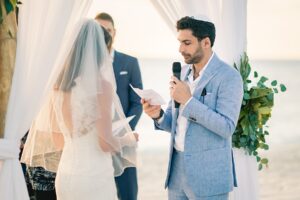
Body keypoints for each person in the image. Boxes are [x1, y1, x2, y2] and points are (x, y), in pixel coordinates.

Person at [21, 19, 138, 200]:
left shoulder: (57, 87)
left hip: (66, 174)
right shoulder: (101, 87)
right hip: (94, 177)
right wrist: (127, 140)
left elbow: (58, 141)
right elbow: (105, 144)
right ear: (99, 50)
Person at [142, 16, 243, 200]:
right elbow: (175, 122)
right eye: (180, 42)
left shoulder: (229, 77)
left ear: (206, 42)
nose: (181, 49)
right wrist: (158, 115)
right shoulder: (181, 72)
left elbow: (227, 127)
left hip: (209, 176)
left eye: (187, 43)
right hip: (176, 173)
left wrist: (188, 101)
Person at [95, 12, 143, 200]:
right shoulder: (86, 65)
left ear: (114, 32)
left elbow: (137, 101)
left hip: (124, 139)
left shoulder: (130, 62)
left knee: (128, 193)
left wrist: (124, 133)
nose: (105, 34)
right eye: (100, 30)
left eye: (108, 30)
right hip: (96, 142)